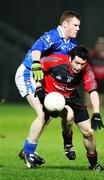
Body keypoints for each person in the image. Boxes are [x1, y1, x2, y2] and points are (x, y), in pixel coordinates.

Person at [20, 45, 104, 170]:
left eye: (82, 64)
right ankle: (67, 144)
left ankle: (93, 164)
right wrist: (38, 87)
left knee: (89, 132)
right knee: (68, 115)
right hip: (52, 98)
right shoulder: (54, 60)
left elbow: (93, 91)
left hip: (72, 97)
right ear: (69, 58)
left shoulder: (87, 70)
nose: (79, 67)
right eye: (77, 63)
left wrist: (96, 113)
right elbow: (37, 70)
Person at [15, 10, 81, 162]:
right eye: (75, 25)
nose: (78, 28)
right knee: (43, 113)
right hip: (28, 74)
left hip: (42, 78)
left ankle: (27, 149)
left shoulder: (71, 43)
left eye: (79, 26)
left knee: (48, 114)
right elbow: (36, 49)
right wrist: (37, 63)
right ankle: (29, 152)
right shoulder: (53, 36)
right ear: (65, 25)